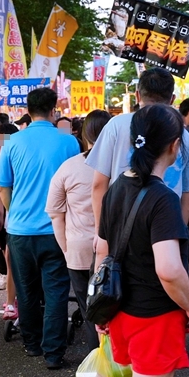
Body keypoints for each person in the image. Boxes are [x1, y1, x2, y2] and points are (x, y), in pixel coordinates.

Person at [96, 103, 189, 377]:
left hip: (123, 314)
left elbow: (103, 251)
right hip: (154, 320)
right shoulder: (163, 199)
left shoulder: (116, 188)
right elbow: (170, 270)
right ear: (175, 145)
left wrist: (102, 308)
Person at [0, 87, 81, 369]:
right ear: (53, 109)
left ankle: (32, 344)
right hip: (57, 230)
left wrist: (15, 212)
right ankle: (54, 353)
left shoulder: (11, 142)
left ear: (27, 110)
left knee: (26, 290)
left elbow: (3, 186)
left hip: (20, 231)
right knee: (57, 290)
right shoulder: (68, 142)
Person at [89, 68, 189, 230]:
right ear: (172, 99)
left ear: (137, 95)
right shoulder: (183, 134)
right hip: (166, 225)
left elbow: (99, 185)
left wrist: (102, 233)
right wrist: (179, 233)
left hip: (120, 228)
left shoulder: (115, 126)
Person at [47, 109, 112, 352]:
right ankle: (119, 362)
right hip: (116, 251)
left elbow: (55, 212)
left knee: (89, 309)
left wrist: (66, 248)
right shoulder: (124, 166)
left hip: (78, 251)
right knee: (116, 307)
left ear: (84, 135)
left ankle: (97, 362)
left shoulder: (69, 167)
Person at [0, 122, 21, 317]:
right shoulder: (8, 155)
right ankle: (11, 302)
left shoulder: (10, 155)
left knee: (12, 261)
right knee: (10, 260)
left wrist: (8, 212)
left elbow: (1, 188)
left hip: (15, 220)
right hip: (12, 219)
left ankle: (13, 303)